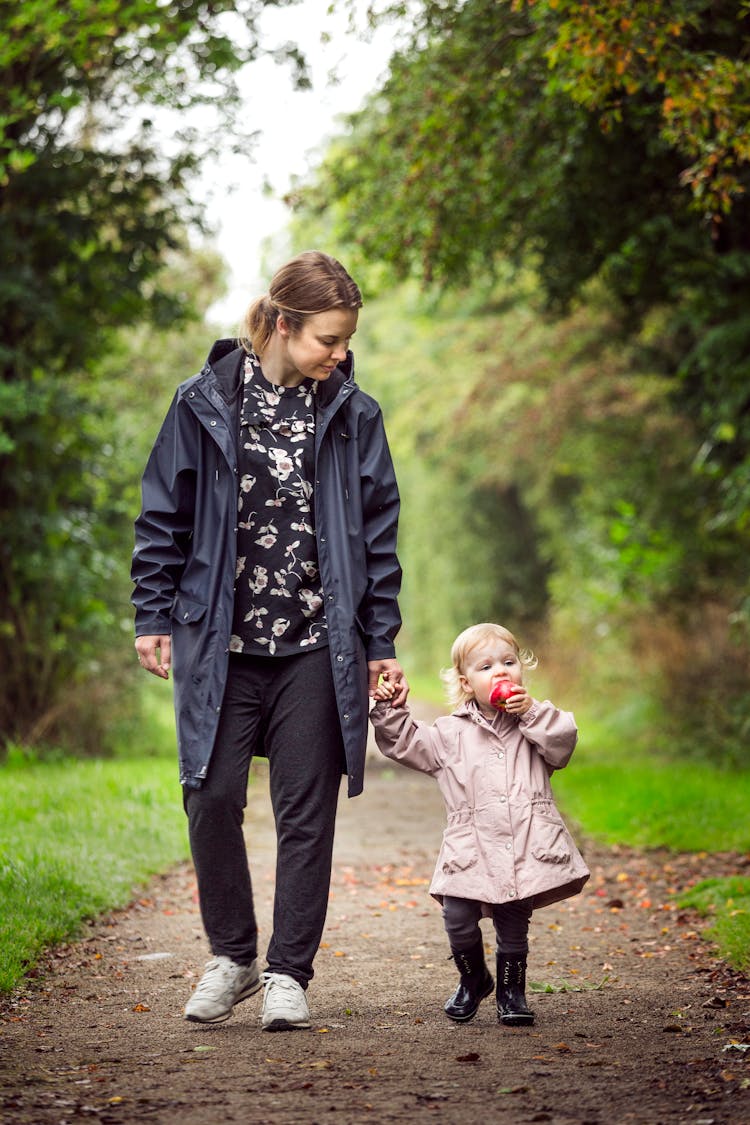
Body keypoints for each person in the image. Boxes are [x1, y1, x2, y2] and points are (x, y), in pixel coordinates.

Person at [131, 250, 408, 1032]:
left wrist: (379, 639)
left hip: (320, 645)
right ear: (283, 325)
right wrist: (153, 613)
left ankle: (289, 971)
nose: (340, 353)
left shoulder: (355, 416)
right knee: (210, 794)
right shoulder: (201, 403)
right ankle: (233, 955)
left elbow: (379, 538)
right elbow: (162, 515)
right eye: (328, 338)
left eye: (347, 339)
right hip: (220, 640)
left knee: (305, 810)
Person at [370, 622, 588, 1026]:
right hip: (469, 846)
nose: (501, 671)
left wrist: (533, 713)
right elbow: (404, 742)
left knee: (513, 922)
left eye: (509, 662)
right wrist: (387, 708)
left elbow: (564, 742)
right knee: (456, 915)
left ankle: (512, 992)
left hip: (524, 842)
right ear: (466, 683)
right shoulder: (450, 732)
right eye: (486, 666)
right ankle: (473, 978)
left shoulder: (535, 725)